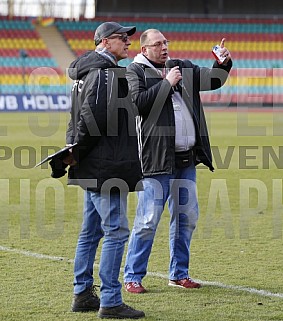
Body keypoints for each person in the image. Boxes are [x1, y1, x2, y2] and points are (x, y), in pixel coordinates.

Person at [124, 29, 232, 293]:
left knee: (186, 218)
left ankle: (179, 273)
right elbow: (138, 104)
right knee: (148, 220)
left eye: (166, 42)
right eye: (158, 44)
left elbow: (213, 80)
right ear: (145, 49)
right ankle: (132, 276)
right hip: (156, 160)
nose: (164, 47)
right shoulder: (135, 71)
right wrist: (166, 83)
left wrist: (223, 63)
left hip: (185, 161)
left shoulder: (180, 66)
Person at [65, 21, 145, 319]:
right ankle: (110, 300)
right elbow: (92, 121)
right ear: (104, 42)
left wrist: (73, 153)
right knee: (116, 231)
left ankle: (82, 293)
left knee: (91, 231)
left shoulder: (85, 73)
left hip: (92, 163)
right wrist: (78, 152)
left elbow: (77, 120)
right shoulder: (105, 73)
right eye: (122, 38)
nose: (127, 42)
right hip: (105, 164)